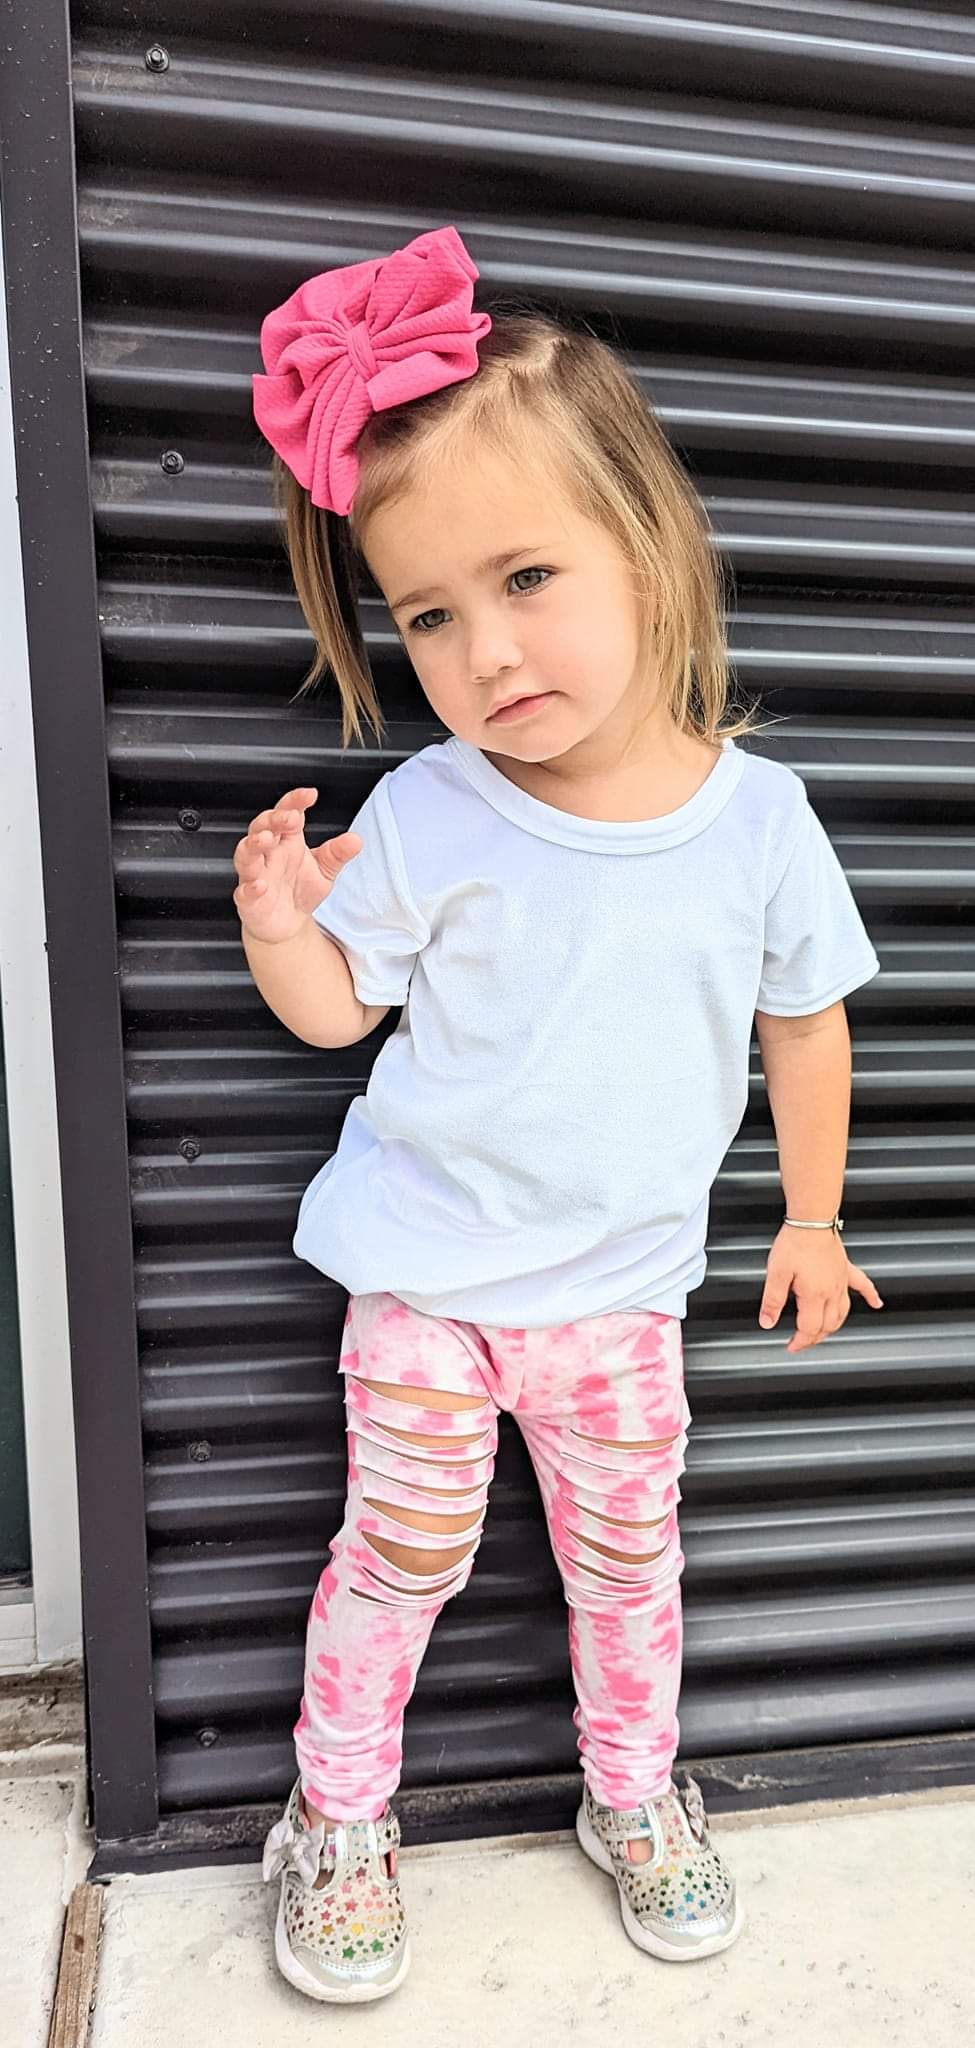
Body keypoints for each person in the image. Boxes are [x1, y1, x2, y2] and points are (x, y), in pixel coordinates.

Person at [235, 224, 884, 2006]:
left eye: (527, 577)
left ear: (647, 548)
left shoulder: (758, 821)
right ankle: (335, 1812)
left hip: (615, 1299)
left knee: (628, 1565)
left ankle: (632, 1789)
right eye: (430, 615)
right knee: (401, 1554)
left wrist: (811, 1216)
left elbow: (806, 1023)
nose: (486, 651)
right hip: (431, 1285)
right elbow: (340, 1013)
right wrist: (282, 927)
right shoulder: (431, 811)